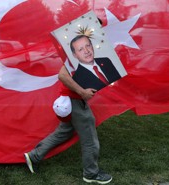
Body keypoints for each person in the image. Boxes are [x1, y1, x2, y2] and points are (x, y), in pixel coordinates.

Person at [24, 34, 115, 184]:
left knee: (63, 132)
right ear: (74, 53)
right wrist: (82, 92)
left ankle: (34, 156)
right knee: (90, 139)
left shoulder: (99, 61)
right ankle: (91, 174)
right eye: (81, 49)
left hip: (73, 101)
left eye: (88, 46)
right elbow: (62, 75)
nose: (86, 50)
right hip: (74, 101)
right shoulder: (72, 60)